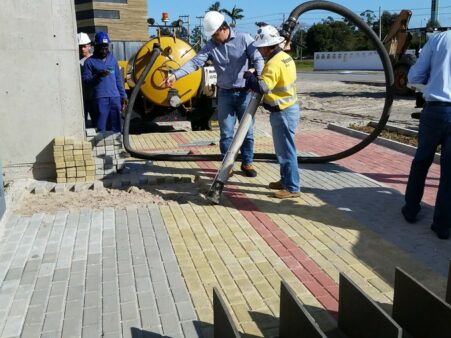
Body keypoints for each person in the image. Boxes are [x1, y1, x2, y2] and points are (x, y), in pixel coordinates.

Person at [160, 11, 264, 177]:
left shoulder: (244, 39)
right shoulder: (210, 46)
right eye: (212, 35)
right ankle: (226, 166)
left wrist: (258, 78)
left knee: (247, 132)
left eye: (216, 34)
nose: (214, 38)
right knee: (226, 133)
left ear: (224, 28)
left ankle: (247, 163)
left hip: (245, 93)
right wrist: (175, 75)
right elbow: (194, 63)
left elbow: (258, 58)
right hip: (225, 94)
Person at [402, 30, 451, 240]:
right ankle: (442, 225)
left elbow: (414, 76)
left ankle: (411, 210)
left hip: (435, 110)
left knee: (421, 161)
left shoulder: (440, 39)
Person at [244, 25, 300, 199]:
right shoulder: (285, 57)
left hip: (282, 111)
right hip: (289, 108)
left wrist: (249, 77)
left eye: (261, 47)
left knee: (286, 151)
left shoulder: (273, 64)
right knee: (282, 150)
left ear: (268, 46)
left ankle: (292, 188)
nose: (259, 51)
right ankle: (285, 181)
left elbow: (263, 87)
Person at [82, 32, 128, 132]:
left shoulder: (112, 60)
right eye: (101, 47)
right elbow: (86, 81)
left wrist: (123, 95)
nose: (104, 50)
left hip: (115, 98)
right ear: (95, 47)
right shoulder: (89, 62)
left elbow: (118, 79)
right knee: (101, 127)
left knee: (116, 127)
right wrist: (98, 76)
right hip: (99, 99)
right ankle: (101, 145)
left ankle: (116, 146)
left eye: (106, 47)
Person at [77, 32, 95, 127]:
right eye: (80, 47)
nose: (82, 49)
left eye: (84, 46)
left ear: (89, 46)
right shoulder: (76, 61)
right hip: (82, 98)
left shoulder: (95, 60)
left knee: (96, 123)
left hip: (93, 97)